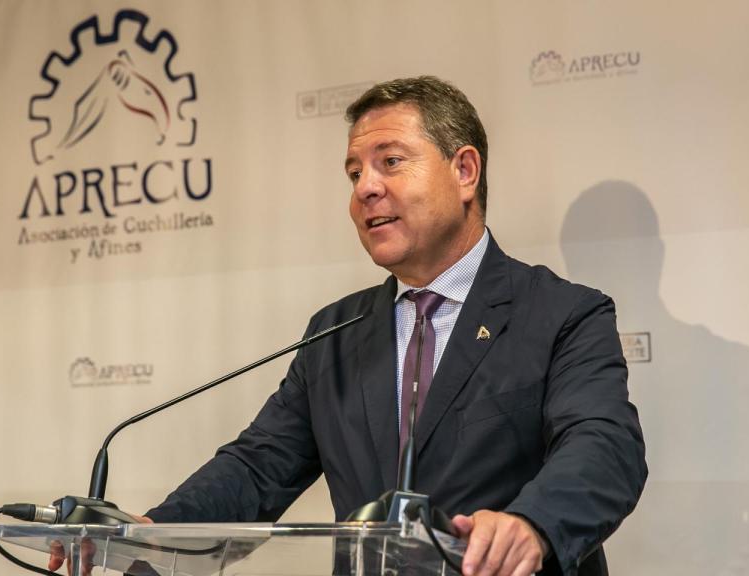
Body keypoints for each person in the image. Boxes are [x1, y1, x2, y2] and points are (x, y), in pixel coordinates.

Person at [51, 76, 646, 576]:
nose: (366, 188)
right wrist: (150, 532)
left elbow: (604, 447)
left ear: (465, 171)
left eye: (391, 162)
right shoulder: (335, 332)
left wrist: (531, 524)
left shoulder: (564, 313)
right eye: (354, 172)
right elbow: (258, 468)